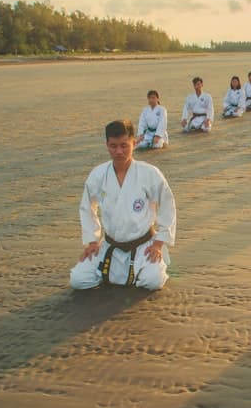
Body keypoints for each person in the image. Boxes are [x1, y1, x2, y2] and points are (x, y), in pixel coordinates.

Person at [69, 119, 177, 290]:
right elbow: (87, 208)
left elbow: (167, 205)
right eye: (113, 146)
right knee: (77, 280)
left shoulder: (149, 173)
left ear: (134, 143)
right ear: (107, 145)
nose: (118, 151)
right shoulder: (98, 175)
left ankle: (140, 271)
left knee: (153, 281)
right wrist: (92, 241)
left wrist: (158, 243)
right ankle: (116, 272)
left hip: (143, 246)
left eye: (124, 145)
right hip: (110, 246)